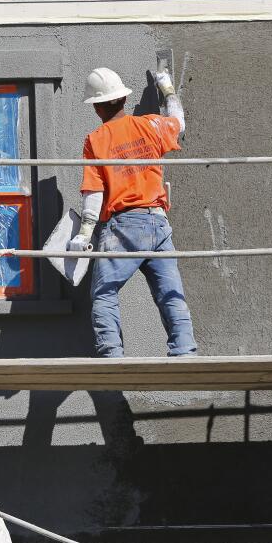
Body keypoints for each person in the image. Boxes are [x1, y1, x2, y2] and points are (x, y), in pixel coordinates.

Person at [68, 68, 197, 358]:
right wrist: (167, 90)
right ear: (124, 98)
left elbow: (94, 191)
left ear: (98, 106)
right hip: (159, 223)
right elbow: (179, 121)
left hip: (125, 226)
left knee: (104, 293)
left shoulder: (96, 140)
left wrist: (84, 233)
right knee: (170, 294)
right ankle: (185, 351)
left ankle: (111, 355)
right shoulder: (152, 125)